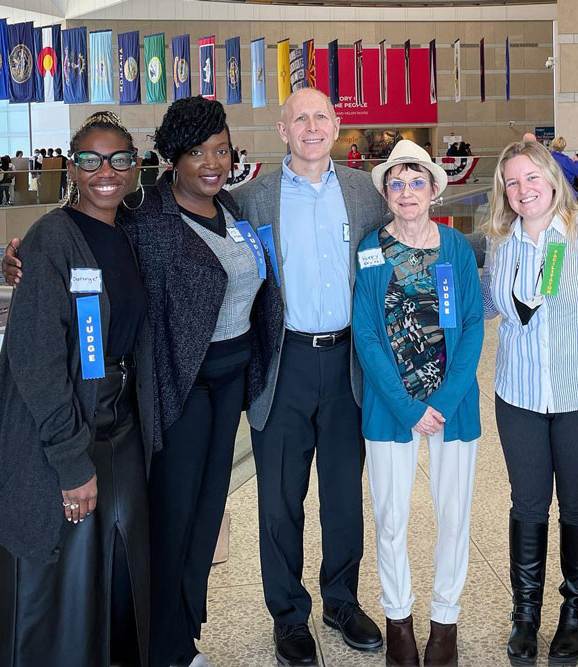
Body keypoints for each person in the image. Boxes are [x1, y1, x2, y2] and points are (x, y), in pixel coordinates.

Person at [2, 98, 284, 667]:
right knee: (171, 524)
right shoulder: (142, 218)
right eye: (197, 152)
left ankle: (181, 636)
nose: (212, 162)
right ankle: (167, 649)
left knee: (203, 520)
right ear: (168, 161)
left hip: (224, 385)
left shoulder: (232, 208)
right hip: (174, 391)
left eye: (221, 150)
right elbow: (74, 241)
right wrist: (16, 257)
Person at [0, 111, 153, 667]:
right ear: (71, 168)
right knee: (56, 588)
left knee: (109, 576)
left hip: (118, 428)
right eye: (90, 160)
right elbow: (37, 361)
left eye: (119, 159)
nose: (106, 171)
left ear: (135, 167)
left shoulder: (129, 230)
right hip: (58, 438)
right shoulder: (51, 240)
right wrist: (70, 462)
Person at [233, 87, 390, 667]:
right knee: (280, 498)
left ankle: (340, 601)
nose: (312, 126)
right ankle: (288, 615)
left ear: (338, 124)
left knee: (344, 493)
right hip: (284, 361)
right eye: (299, 118)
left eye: (321, 115)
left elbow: (413, 240)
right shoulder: (252, 200)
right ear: (283, 131)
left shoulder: (364, 194)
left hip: (349, 361)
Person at [479, 139, 578, 665]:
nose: (522, 190)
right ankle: (525, 616)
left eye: (531, 178)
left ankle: (574, 615)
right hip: (519, 397)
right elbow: (490, 304)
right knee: (528, 506)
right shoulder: (500, 241)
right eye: (512, 182)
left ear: (553, 180)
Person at [353, 139, 484, 667]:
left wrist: (446, 400)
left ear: (434, 188)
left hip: (453, 407)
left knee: (454, 516)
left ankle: (444, 624)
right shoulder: (369, 249)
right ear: (386, 192)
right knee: (390, 517)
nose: (407, 192)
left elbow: (473, 325)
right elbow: (366, 334)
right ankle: (399, 620)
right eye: (397, 183)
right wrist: (408, 408)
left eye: (417, 182)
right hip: (392, 407)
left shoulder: (455, 249)